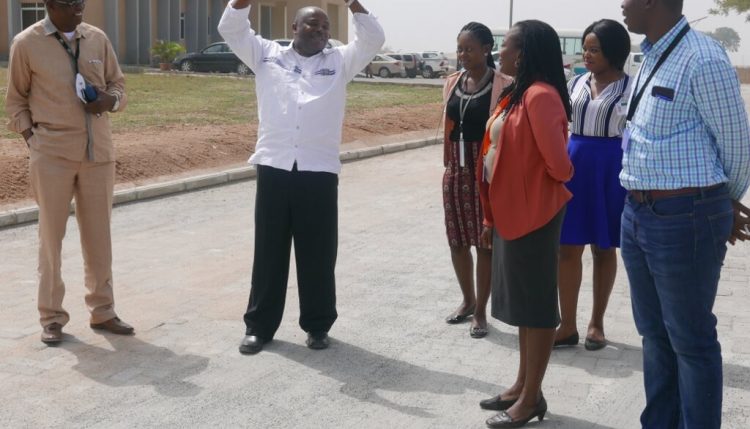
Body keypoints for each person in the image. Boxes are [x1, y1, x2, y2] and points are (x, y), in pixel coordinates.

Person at [218, 0, 385, 355]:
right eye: (313, 25)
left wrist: (352, 3)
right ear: (294, 28)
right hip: (275, 166)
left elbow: (373, 38)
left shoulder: (339, 62)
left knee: (319, 253)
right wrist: (241, 2)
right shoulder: (266, 54)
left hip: (318, 170)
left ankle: (318, 326)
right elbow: (231, 29)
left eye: (326, 28)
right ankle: (259, 327)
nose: (322, 32)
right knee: (269, 251)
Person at [619, 0, 750, 427]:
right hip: (638, 214)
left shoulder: (702, 57)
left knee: (690, 341)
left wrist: (720, 204)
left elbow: (736, 145)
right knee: (654, 336)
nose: (621, 4)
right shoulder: (651, 55)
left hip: (685, 216)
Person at [5, 0, 132, 344]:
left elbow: (119, 85)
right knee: (51, 238)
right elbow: (15, 101)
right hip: (52, 156)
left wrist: (111, 101)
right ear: (49, 4)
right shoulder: (26, 43)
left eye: (81, 2)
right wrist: (35, 140)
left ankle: (103, 311)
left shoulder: (97, 39)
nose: (78, 9)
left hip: (98, 154)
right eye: (70, 3)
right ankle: (51, 317)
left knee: (99, 238)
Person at [476, 20, 573, 428]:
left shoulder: (541, 96)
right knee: (522, 307)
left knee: (535, 309)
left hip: (534, 213)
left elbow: (560, 166)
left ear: (526, 52)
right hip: (512, 211)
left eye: (507, 46)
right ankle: (521, 384)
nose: (500, 52)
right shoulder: (518, 93)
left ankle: (532, 398)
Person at [554, 19, 632, 351]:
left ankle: (596, 324)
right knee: (567, 247)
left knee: (603, 248)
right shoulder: (576, 82)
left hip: (610, 170)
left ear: (613, 52)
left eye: (594, 49)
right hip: (575, 167)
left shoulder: (632, 87)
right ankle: (567, 324)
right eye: (585, 49)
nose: (586, 55)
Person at [442, 22, 511, 338]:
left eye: (469, 48)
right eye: (460, 49)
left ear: (487, 49)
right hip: (455, 171)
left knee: (484, 242)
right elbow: (449, 125)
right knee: (457, 240)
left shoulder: (505, 84)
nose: (463, 54)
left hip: (485, 172)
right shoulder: (452, 82)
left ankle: (482, 310)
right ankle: (467, 300)